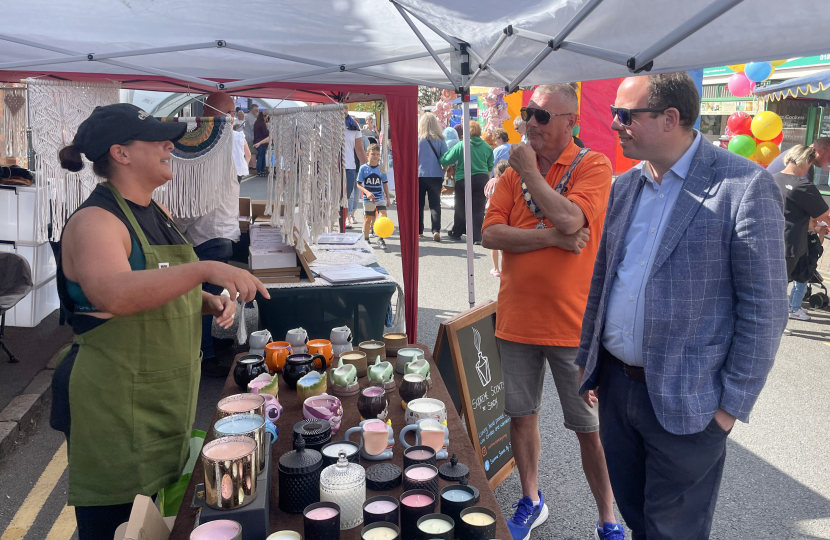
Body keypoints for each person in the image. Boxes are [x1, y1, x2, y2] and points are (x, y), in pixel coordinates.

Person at [576, 72, 788, 540]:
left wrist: (729, 408)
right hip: (617, 389)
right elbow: (605, 278)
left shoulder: (743, 186)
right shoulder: (626, 184)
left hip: (691, 402)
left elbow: (766, 309)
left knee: (672, 531)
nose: (615, 125)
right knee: (636, 517)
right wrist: (590, 362)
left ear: (671, 118)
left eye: (626, 115)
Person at [49, 103, 268, 540]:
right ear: (121, 153)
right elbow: (114, 293)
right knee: (118, 527)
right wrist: (202, 271)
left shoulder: (157, 211)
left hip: (161, 402)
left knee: (157, 525)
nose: (171, 145)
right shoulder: (97, 220)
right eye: (157, 139)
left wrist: (205, 302)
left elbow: (159, 284)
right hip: (114, 406)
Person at [481, 84, 619, 540]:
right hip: (517, 320)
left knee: (589, 429)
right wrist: (550, 239)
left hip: (572, 326)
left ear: (570, 121)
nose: (531, 123)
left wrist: (531, 179)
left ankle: (608, 518)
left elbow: (572, 220)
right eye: (527, 113)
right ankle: (531, 497)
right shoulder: (509, 175)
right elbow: (492, 235)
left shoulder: (593, 165)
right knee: (521, 416)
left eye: (542, 116)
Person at [175, 92, 244, 376]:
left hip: (208, 235)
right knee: (206, 298)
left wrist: (176, 229)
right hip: (217, 234)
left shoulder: (208, 147)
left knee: (203, 299)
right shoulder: (224, 143)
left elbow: (194, 201)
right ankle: (206, 352)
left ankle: (205, 353)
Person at [773, 145, 830, 324]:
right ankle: (777, 324)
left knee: (771, 286)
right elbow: (824, 216)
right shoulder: (802, 186)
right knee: (781, 287)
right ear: (805, 162)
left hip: (768, 240)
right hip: (791, 244)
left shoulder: (770, 178)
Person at [440, 120, 494, 244]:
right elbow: (490, 166)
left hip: (463, 178)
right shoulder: (486, 147)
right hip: (482, 178)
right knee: (478, 209)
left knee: (460, 206)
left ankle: (457, 232)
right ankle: (477, 237)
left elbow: (445, 160)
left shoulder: (461, 145)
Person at [418, 112, 448, 242]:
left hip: (419, 174)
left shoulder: (417, 139)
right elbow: (446, 158)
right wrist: (444, 170)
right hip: (436, 175)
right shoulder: (440, 140)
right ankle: (436, 230)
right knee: (435, 203)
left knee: (418, 204)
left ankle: (419, 231)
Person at [357, 143, 390, 246]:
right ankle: (366, 240)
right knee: (368, 219)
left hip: (379, 197)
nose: (375, 157)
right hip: (368, 198)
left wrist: (388, 198)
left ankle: (381, 238)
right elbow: (358, 184)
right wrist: (366, 192)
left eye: (377, 154)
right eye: (373, 154)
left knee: (383, 216)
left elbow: (385, 184)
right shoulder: (363, 168)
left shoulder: (381, 169)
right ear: (367, 154)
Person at [484, 159, 509, 277]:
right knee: (504, 243)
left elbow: (486, 193)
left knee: (494, 243)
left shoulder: (493, 181)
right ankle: (506, 267)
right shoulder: (510, 182)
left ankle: (496, 268)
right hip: (506, 213)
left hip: (492, 212)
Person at [345, 114, 367, 228]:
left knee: (349, 197)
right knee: (333, 199)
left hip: (351, 167)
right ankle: (336, 224)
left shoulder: (354, 126)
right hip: (332, 168)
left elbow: (360, 150)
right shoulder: (328, 122)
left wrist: (368, 169)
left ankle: (345, 221)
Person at [253, 111, 270, 177]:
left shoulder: (256, 123)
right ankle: (261, 170)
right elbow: (266, 133)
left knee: (260, 156)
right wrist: (269, 130)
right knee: (261, 157)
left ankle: (259, 171)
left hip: (256, 140)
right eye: (266, 117)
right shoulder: (262, 124)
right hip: (262, 141)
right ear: (264, 116)